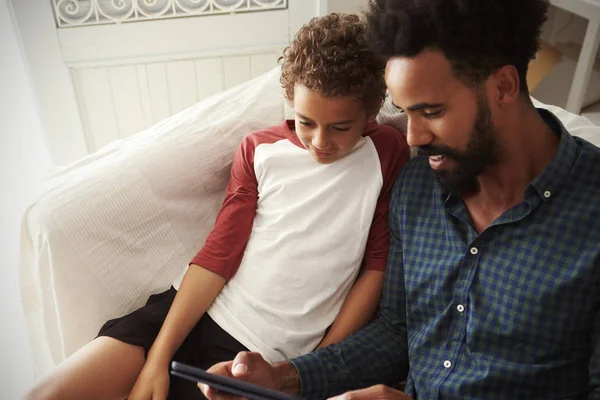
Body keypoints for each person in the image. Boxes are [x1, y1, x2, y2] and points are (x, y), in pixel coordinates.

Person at [200, 0, 600, 399]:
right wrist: (281, 378)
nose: (413, 138)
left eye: (431, 111)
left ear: (503, 87)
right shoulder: (416, 188)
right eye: (406, 113)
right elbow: (396, 332)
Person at [26, 13, 410, 400]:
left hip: (260, 358)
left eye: (341, 127)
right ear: (290, 99)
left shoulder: (387, 152)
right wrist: (159, 357)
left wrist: (319, 365)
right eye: (306, 121)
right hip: (184, 318)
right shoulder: (259, 150)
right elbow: (218, 255)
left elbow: (377, 265)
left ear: (373, 108)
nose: (320, 142)